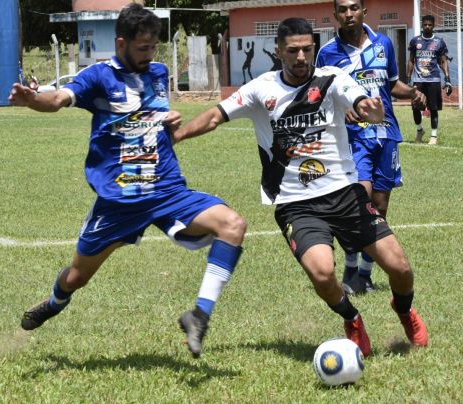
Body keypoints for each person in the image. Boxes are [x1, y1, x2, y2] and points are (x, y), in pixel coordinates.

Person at [172, 18, 428, 357]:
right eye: (293, 51)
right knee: (323, 274)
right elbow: (215, 116)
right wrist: (177, 135)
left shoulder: (331, 79)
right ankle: (352, 318)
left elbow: (361, 102)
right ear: (278, 51)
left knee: (401, 268)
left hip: (346, 194)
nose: (301, 57)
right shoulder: (260, 89)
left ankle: (404, 309)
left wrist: (371, 110)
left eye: (307, 49)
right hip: (297, 203)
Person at [8, 4, 246, 358]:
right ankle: (55, 303)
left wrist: (166, 120)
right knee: (77, 276)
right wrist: (32, 101)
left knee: (233, 225)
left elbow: (149, 114)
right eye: (142, 48)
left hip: (166, 190)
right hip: (119, 199)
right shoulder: (99, 77)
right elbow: (58, 99)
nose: (149, 56)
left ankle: (198, 316)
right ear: (121, 43)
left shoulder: (158, 73)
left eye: (153, 47)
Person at [316, 0, 426, 295]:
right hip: (351, 137)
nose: (349, 14)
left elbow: (391, 84)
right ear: (335, 15)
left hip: (386, 133)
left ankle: (364, 273)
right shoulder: (327, 53)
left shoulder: (384, 43)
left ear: (364, 11)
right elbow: (320, 96)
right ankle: (350, 265)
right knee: (358, 201)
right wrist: (341, 108)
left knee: (380, 206)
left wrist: (414, 93)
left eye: (354, 8)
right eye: (343, 9)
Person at [407, 14, 451, 145]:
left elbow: (443, 61)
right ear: (422, 25)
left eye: (429, 25)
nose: (427, 26)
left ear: (433, 26)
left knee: (433, 108)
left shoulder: (439, 42)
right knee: (415, 107)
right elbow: (411, 60)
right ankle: (419, 130)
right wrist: (408, 78)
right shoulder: (415, 41)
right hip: (418, 80)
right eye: (425, 24)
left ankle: (433, 136)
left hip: (433, 80)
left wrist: (447, 79)